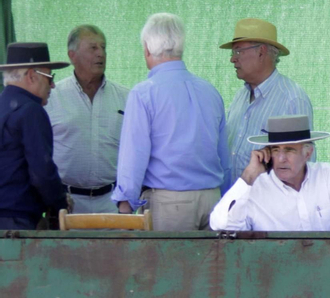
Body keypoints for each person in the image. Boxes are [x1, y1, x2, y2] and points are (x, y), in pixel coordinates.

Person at [112, 13, 229, 231]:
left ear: (147, 48)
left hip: (169, 204)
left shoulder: (143, 93)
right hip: (213, 199)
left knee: (167, 265)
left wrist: (125, 206)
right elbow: (224, 157)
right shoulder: (210, 92)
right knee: (210, 266)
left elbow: (133, 156)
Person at [208, 114, 330, 235]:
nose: (280, 158)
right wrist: (249, 176)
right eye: (275, 150)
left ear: (308, 153)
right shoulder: (255, 187)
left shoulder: (326, 175)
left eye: (289, 150)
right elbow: (221, 224)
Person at [45, 25, 128, 213]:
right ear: (72, 55)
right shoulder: (52, 97)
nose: (101, 54)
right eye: (93, 48)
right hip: (67, 203)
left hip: (112, 202)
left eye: (103, 47)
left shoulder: (126, 97)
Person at [220, 19, 312, 189]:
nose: (233, 59)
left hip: (269, 211)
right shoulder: (241, 96)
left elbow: (302, 168)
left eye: (238, 51)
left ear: (261, 52)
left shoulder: (291, 99)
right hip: (235, 206)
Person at [0, 43, 70, 230]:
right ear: (31, 76)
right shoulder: (31, 111)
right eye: (50, 77)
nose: (53, 84)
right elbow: (42, 172)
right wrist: (61, 204)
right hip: (16, 222)